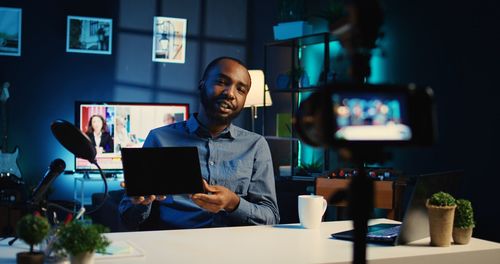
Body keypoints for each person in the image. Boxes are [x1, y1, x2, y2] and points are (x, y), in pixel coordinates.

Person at [119, 57, 280, 229]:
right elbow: (128, 219)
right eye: (221, 82)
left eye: (241, 90)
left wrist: (233, 203)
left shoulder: (256, 145)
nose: (230, 93)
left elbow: (271, 217)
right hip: (174, 247)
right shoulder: (159, 138)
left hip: (235, 249)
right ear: (202, 84)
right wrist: (140, 202)